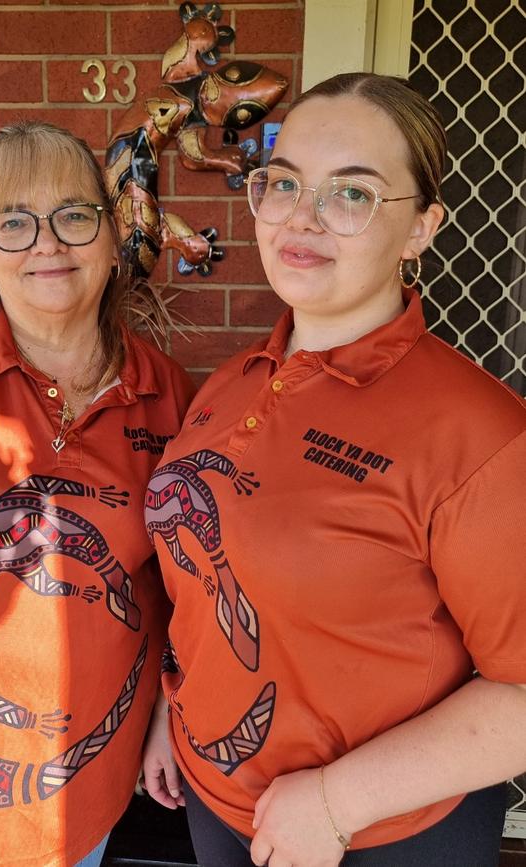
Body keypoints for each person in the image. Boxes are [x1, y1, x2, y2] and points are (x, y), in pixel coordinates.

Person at [142, 72, 526, 867]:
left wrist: (334, 801)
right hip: (215, 801)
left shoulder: (481, 435)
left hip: (378, 835)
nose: (302, 218)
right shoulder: (233, 379)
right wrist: (172, 709)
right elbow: (211, 579)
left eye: (352, 194)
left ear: (422, 228)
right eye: (283, 183)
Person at [0, 120, 194, 867]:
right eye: (13, 221)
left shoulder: (166, 394)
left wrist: (161, 717)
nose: (46, 243)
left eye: (73, 216)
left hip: (88, 779)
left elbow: (179, 589)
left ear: (113, 239)